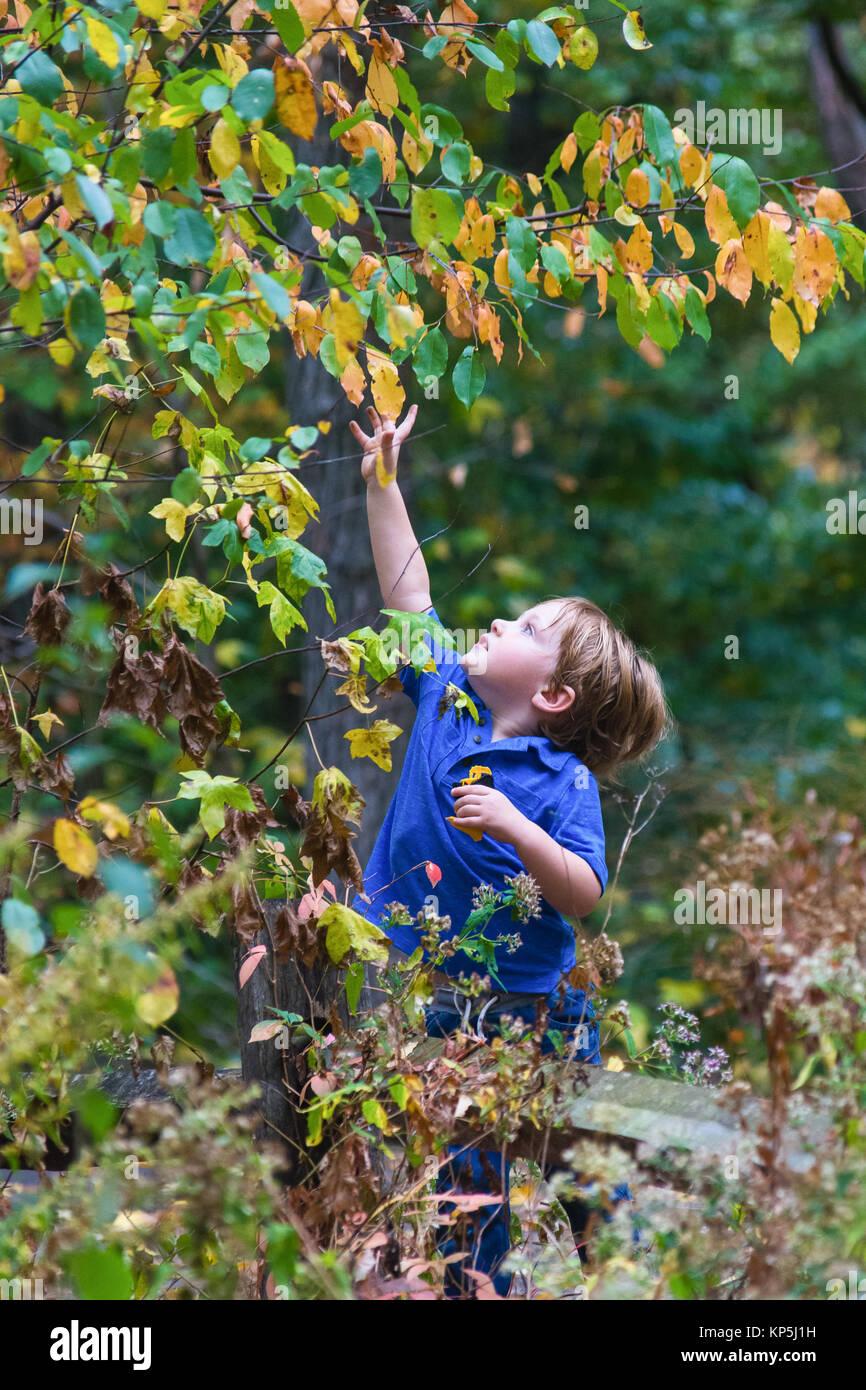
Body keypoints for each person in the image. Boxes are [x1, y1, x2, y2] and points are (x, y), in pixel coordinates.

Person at [348, 402, 670, 1297]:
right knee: (467, 1191)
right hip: (448, 1005)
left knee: (581, 1172)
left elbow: (582, 895)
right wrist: (383, 481)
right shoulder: (444, 695)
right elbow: (408, 593)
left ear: (557, 697)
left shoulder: (560, 784)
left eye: (526, 628)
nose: (498, 624)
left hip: (540, 1016)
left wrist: (517, 829)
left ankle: (629, 1282)